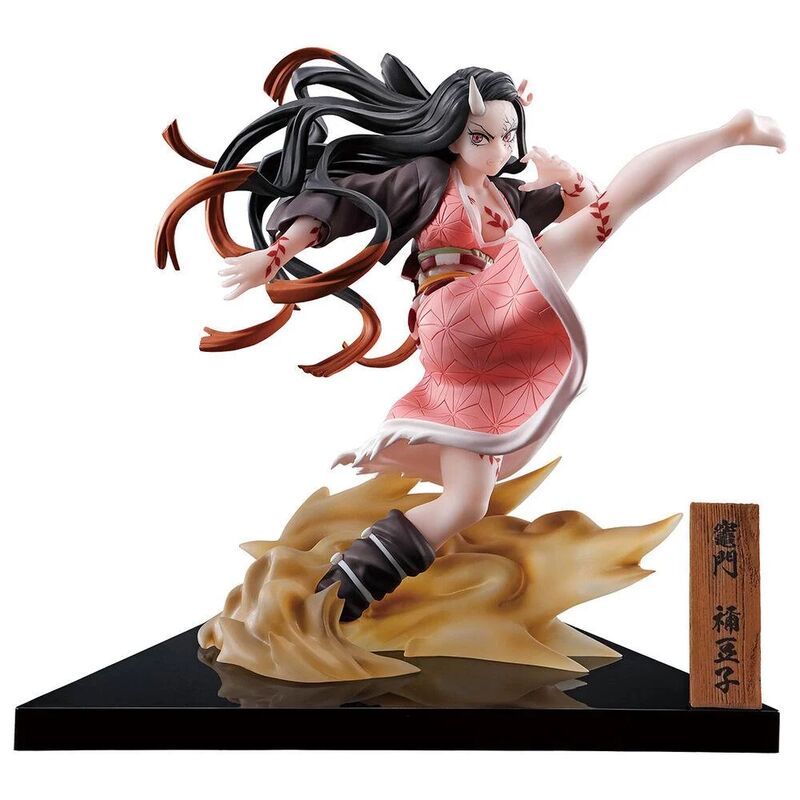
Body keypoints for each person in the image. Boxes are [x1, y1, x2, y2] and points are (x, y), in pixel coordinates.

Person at [157, 48, 785, 622]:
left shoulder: (506, 197)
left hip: (479, 349)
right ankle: (727, 134)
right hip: (462, 313)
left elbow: (587, 202)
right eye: (481, 135)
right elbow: (346, 201)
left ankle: (346, 589)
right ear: (450, 132)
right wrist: (274, 255)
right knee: (598, 224)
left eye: (508, 135)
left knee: (465, 503)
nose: (497, 148)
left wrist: (563, 176)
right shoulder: (428, 178)